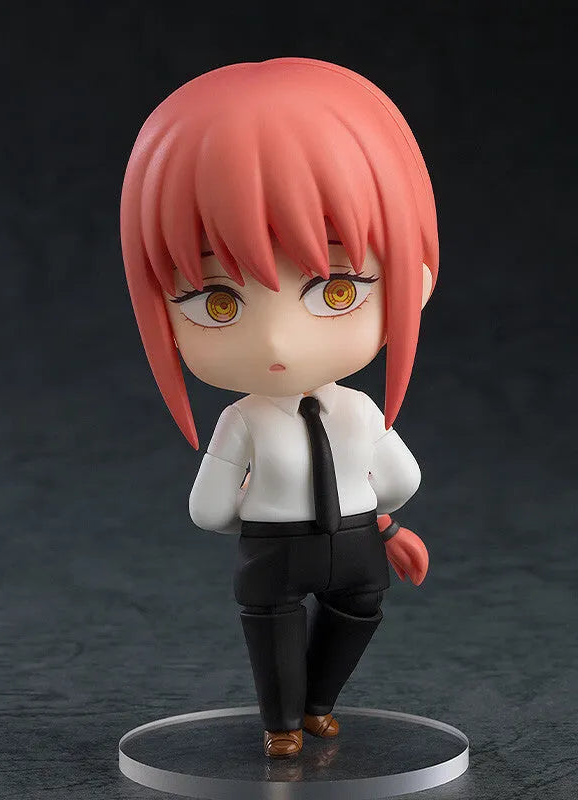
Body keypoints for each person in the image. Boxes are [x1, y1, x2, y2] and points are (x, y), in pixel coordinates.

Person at [120, 57, 437, 758]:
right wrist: (267, 520)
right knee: (273, 630)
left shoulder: (358, 411)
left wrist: (383, 527)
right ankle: (282, 723)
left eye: (335, 290)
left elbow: (399, 480)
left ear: (414, 282)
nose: (276, 342)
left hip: (352, 539)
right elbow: (207, 509)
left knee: (359, 610)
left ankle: (315, 706)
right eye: (217, 302)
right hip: (277, 548)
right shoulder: (243, 420)